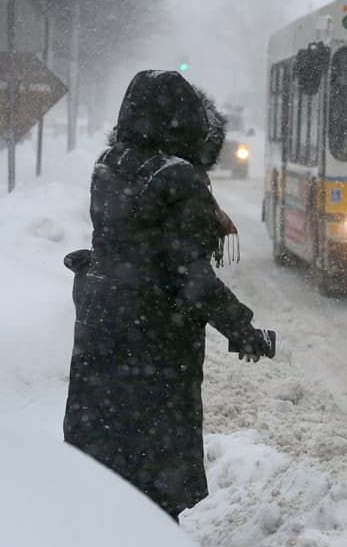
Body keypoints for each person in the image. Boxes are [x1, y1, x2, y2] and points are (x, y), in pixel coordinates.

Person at [62, 69, 276, 522]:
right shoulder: (178, 178)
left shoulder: (109, 164)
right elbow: (190, 275)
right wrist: (241, 328)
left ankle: (98, 531)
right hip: (156, 336)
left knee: (104, 439)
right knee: (158, 455)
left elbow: (123, 242)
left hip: (102, 326)